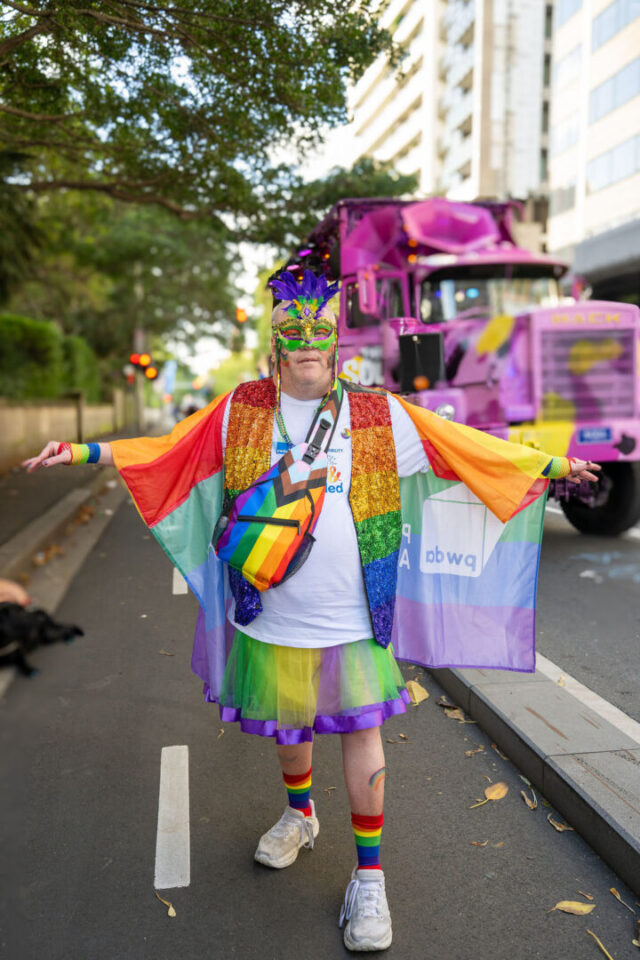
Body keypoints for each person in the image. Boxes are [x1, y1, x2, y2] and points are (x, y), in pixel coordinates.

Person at [24, 270, 600, 952]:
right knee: (288, 721)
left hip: (354, 616)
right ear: (274, 343)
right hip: (267, 608)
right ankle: (300, 815)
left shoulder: (379, 414)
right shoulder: (240, 410)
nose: (305, 343)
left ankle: (371, 880)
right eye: (291, 332)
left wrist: (555, 464)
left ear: (335, 342)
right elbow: (169, 450)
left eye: (317, 331)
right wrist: (83, 450)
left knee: (360, 733)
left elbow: (465, 447)